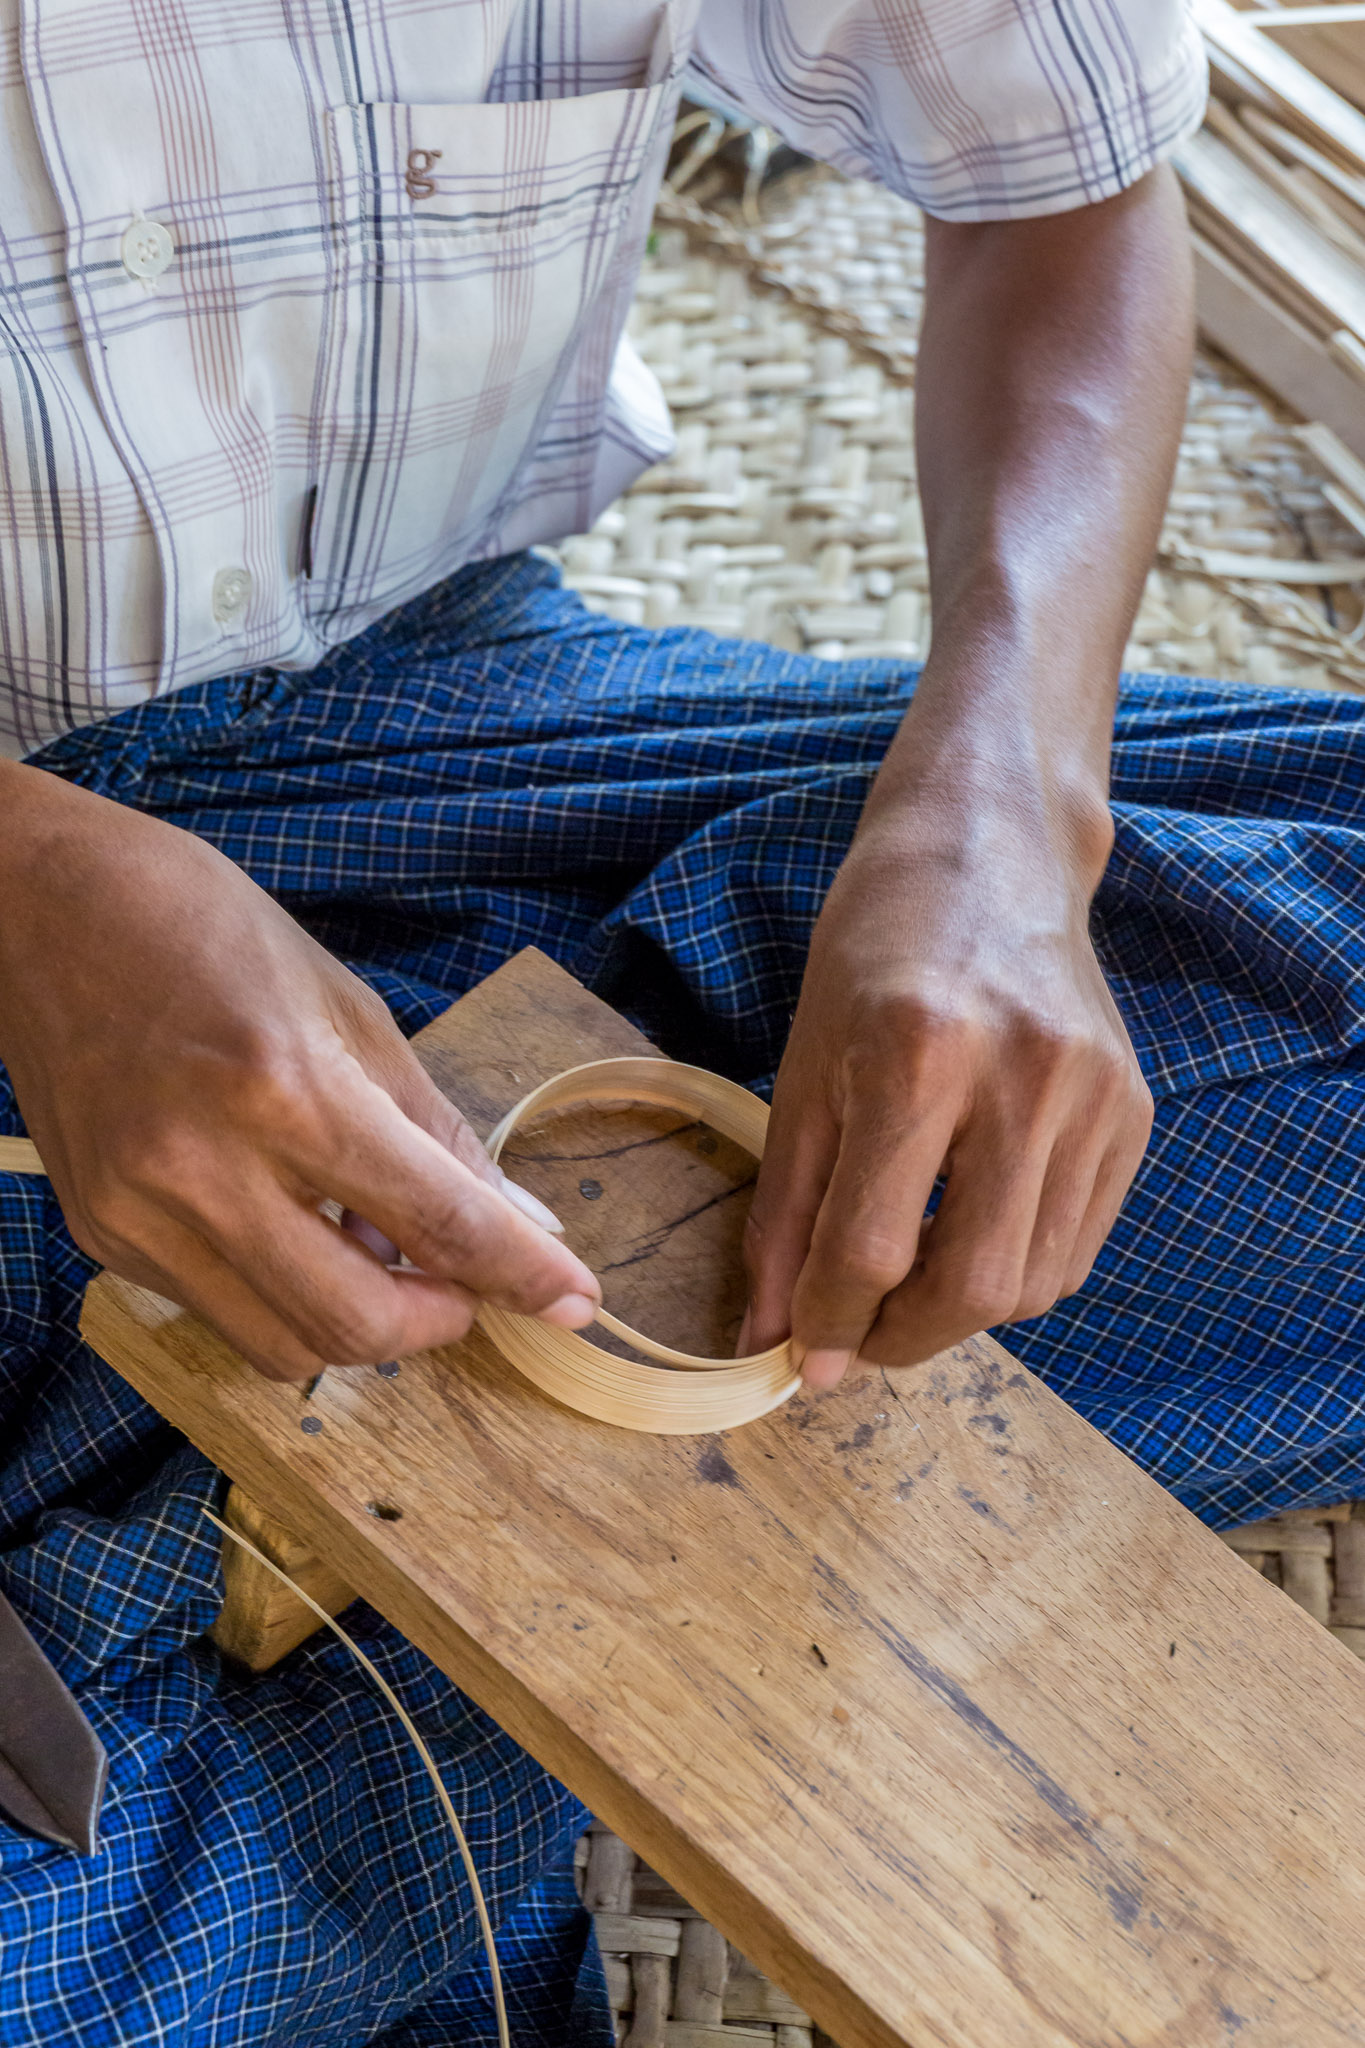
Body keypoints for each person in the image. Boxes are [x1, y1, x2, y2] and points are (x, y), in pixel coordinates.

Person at [3, 2, 1363, 2041]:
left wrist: (1001, 801)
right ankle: (411, 1717)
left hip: (443, 716)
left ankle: (280, 1715)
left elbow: (1066, 195)